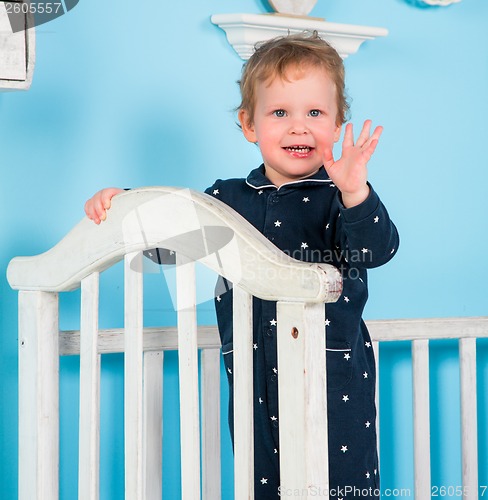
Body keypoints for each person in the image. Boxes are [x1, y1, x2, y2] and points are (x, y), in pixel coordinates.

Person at [85, 31, 399, 499]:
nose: (299, 126)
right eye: (280, 113)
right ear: (249, 124)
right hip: (253, 376)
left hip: (332, 377)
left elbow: (376, 250)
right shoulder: (228, 199)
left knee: (338, 482)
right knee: (264, 483)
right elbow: (170, 243)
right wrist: (127, 205)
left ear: (336, 126)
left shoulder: (339, 199)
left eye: (315, 113)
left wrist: (356, 192)